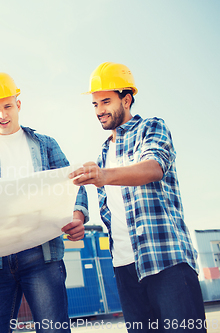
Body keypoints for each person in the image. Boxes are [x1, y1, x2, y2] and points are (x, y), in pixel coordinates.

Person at [69, 62, 206, 332]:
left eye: (106, 102)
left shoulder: (151, 128)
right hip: (125, 268)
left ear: (127, 99)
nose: (99, 111)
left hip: (166, 260)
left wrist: (104, 176)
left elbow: (153, 167)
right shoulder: (102, 154)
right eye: (95, 104)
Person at [0, 71, 89, 333]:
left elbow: (71, 183)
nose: (2, 115)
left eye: (7, 106)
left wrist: (77, 215)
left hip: (41, 254)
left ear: (18, 104)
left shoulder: (46, 145)